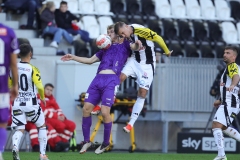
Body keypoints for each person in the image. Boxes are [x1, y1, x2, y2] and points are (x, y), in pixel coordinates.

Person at [61, 24, 141, 154]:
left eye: (110, 32)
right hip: (97, 80)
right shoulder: (104, 49)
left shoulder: (125, 44)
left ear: (118, 33)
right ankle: (87, 141)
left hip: (111, 81)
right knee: (86, 109)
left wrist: (137, 44)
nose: (108, 35)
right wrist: (73, 57)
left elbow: (134, 47)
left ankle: (105, 143)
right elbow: (90, 60)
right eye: (107, 32)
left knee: (105, 112)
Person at [94, 21, 171, 133]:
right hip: (134, 61)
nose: (123, 36)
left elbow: (158, 38)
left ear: (126, 27)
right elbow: (118, 40)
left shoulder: (140, 30)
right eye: (121, 34)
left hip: (147, 64)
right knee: (118, 78)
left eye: (123, 33)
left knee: (143, 93)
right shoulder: (124, 34)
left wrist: (167, 51)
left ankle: (131, 123)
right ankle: (103, 103)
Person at [9, 44, 49, 160]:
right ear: (30, 54)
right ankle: (42, 155)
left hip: (17, 103)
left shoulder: (13, 68)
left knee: (20, 128)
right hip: (31, 103)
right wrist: (42, 97)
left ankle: (15, 147)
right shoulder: (33, 69)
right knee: (41, 126)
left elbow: (9, 85)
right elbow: (40, 87)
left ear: (19, 54)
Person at [212, 46, 240, 160]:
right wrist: (220, 100)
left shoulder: (232, 66)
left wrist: (233, 84)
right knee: (223, 127)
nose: (225, 54)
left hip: (230, 103)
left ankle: (221, 155)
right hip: (229, 102)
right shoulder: (232, 67)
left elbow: (235, 77)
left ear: (234, 56)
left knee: (216, 125)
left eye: (228, 53)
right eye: (224, 52)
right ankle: (221, 155)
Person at [0, 23, 19, 160]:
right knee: (1, 122)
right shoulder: (9, 32)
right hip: (2, 86)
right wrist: (15, 85)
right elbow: (13, 63)